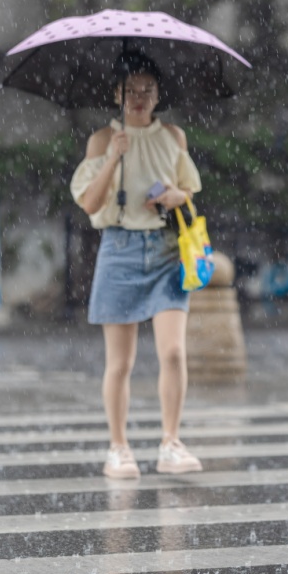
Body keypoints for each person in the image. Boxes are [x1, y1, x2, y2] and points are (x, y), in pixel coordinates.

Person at [69, 52, 204, 479]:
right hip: (120, 248)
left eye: (147, 91)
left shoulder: (174, 138)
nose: (139, 99)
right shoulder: (100, 140)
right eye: (131, 91)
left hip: (166, 248)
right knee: (121, 363)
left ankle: (170, 441)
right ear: (117, 95)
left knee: (174, 351)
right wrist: (113, 156)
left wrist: (174, 197)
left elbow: (188, 192)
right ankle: (118, 447)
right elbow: (89, 204)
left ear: (159, 94)